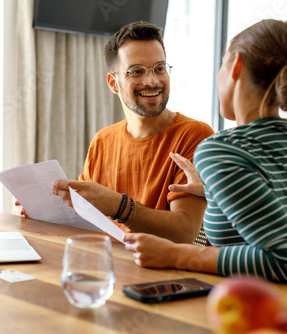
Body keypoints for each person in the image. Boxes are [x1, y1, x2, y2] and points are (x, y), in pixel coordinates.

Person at [123, 19, 287, 284]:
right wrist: (215, 189)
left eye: (222, 64)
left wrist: (176, 254)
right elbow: (283, 206)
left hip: (265, 313)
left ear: (236, 65)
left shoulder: (220, 152)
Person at [20, 21, 214, 244]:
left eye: (159, 68)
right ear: (114, 83)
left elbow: (185, 232)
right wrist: (43, 210)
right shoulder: (103, 140)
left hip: (161, 277)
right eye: (137, 72)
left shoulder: (194, 134)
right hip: (107, 268)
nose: (152, 81)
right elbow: (87, 218)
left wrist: (118, 205)